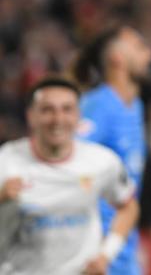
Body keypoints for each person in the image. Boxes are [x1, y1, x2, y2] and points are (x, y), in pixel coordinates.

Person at [0, 76, 139, 275]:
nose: (58, 120)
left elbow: (128, 206)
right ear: (31, 116)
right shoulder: (6, 161)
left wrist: (105, 255)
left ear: (78, 116)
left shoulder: (102, 161)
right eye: (48, 110)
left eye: (67, 109)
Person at [72, 26, 151, 275]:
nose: (149, 54)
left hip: (124, 250)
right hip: (95, 256)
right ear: (117, 58)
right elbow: (66, 165)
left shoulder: (135, 106)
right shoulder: (98, 106)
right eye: (139, 47)